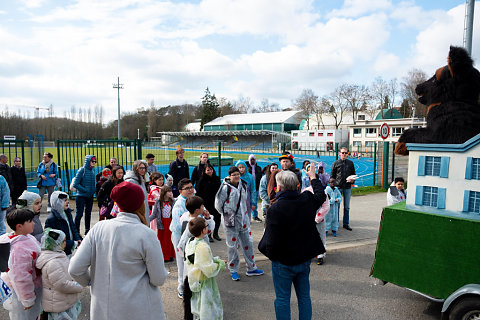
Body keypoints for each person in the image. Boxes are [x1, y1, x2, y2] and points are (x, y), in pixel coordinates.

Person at [69, 181, 168, 320]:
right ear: (140, 203)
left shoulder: (99, 228)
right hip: (140, 309)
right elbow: (158, 278)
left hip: (104, 310)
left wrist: (93, 282)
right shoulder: (146, 234)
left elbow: (75, 268)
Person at [258, 165, 326, 320]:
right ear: (296, 186)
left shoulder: (275, 209)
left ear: (279, 187)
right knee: (304, 297)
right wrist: (313, 177)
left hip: (283, 262)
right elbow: (321, 195)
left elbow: (271, 241)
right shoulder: (307, 200)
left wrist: (273, 257)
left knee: (282, 299)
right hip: (303, 259)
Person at [215, 166, 264, 281]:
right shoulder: (225, 188)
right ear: (229, 176)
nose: (237, 176)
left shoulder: (243, 185)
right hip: (230, 221)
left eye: (238, 174)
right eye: (234, 175)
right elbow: (218, 205)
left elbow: (244, 201)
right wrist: (227, 214)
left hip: (244, 220)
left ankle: (251, 268)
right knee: (232, 247)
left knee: (248, 244)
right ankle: (233, 270)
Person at [0, 209, 42, 320]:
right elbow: (21, 277)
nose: (33, 223)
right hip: (22, 294)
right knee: (24, 317)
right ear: (19, 226)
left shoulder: (27, 237)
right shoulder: (19, 249)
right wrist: (27, 300)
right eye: (30, 221)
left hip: (28, 289)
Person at [184, 217, 226, 320]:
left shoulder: (191, 241)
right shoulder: (202, 246)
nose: (208, 227)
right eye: (206, 226)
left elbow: (202, 261)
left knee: (196, 306)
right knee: (206, 310)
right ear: (203, 230)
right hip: (204, 283)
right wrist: (220, 264)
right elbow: (208, 269)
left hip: (194, 279)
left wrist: (215, 260)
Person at [36, 228, 83, 320]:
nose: (65, 243)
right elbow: (61, 284)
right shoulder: (53, 262)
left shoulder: (57, 254)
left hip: (60, 301)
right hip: (58, 304)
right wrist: (79, 286)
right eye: (63, 241)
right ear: (55, 243)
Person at [170, 178, 195, 298]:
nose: (191, 190)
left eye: (191, 187)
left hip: (193, 237)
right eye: (187, 188)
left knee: (191, 262)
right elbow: (178, 226)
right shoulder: (179, 205)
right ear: (180, 191)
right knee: (181, 263)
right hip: (180, 237)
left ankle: (191, 285)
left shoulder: (194, 199)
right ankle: (181, 288)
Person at [44, 191, 82, 257]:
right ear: (57, 202)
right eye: (64, 200)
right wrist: (73, 243)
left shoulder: (67, 213)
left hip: (69, 249)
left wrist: (77, 238)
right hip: (60, 253)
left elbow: (72, 227)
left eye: (67, 200)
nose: (67, 202)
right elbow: (54, 240)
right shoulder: (51, 219)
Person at [330, 147, 356, 231]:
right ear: (339, 154)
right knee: (336, 206)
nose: (344, 154)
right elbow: (332, 176)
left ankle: (346, 223)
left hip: (347, 187)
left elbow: (354, 175)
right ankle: (335, 223)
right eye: (343, 153)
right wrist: (333, 186)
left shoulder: (350, 163)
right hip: (338, 188)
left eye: (346, 153)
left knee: (347, 207)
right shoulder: (335, 163)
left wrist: (352, 180)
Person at [195, 163, 222, 241]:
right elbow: (198, 192)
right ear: (205, 171)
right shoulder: (202, 180)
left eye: (211, 169)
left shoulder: (216, 179)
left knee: (218, 218)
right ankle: (209, 234)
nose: (210, 171)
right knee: (209, 218)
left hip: (216, 202)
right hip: (206, 203)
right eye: (208, 170)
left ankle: (216, 233)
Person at [149, 185, 175, 262]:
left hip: (170, 222)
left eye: (171, 191)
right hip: (162, 223)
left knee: (170, 240)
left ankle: (170, 255)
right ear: (164, 192)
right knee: (162, 240)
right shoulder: (158, 201)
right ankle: (163, 256)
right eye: (168, 191)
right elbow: (154, 214)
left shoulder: (173, 201)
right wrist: (146, 220)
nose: (171, 193)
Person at [72, 155, 96, 235]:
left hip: (89, 196)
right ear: (88, 161)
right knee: (79, 214)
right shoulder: (82, 170)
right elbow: (75, 184)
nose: (94, 163)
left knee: (88, 213)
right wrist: (85, 190)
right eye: (92, 161)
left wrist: (93, 191)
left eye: (95, 161)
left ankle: (87, 230)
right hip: (81, 196)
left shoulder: (92, 171)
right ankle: (76, 231)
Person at [246, 154, 262, 222]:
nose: (252, 161)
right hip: (248, 188)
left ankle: (255, 216)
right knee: (247, 202)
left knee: (254, 202)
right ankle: (247, 217)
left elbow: (260, 176)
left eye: (253, 159)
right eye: (251, 159)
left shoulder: (258, 168)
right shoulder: (246, 168)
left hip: (256, 187)